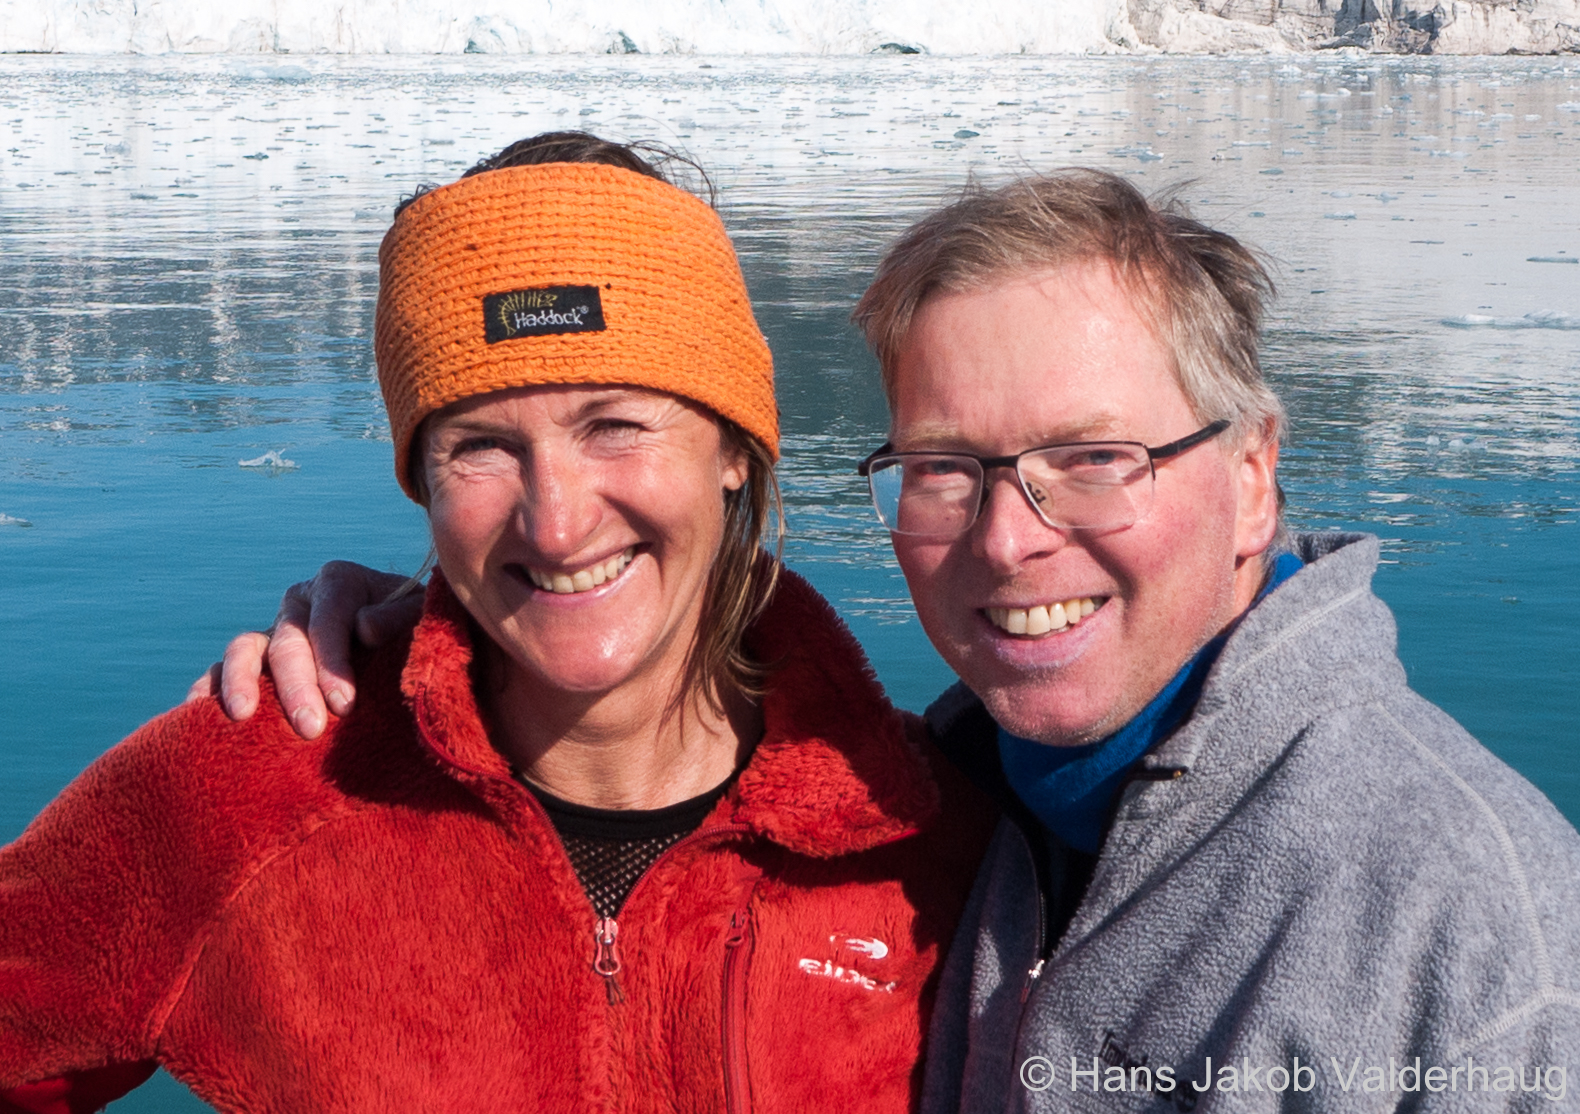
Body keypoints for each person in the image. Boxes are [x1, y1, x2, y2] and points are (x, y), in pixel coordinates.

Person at [223, 166, 1580, 1111]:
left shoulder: (1470, 932)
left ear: (1253, 476)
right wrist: (449, 614)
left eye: (1094, 456)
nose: (1009, 539)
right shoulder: (929, 805)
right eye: (946, 467)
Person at [0, 134, 995, 1112]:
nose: (555, 522)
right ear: (421, 480)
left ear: (735, 448)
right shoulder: (250, 792)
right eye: (479, 445)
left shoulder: (941, 840)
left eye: (614, 424)